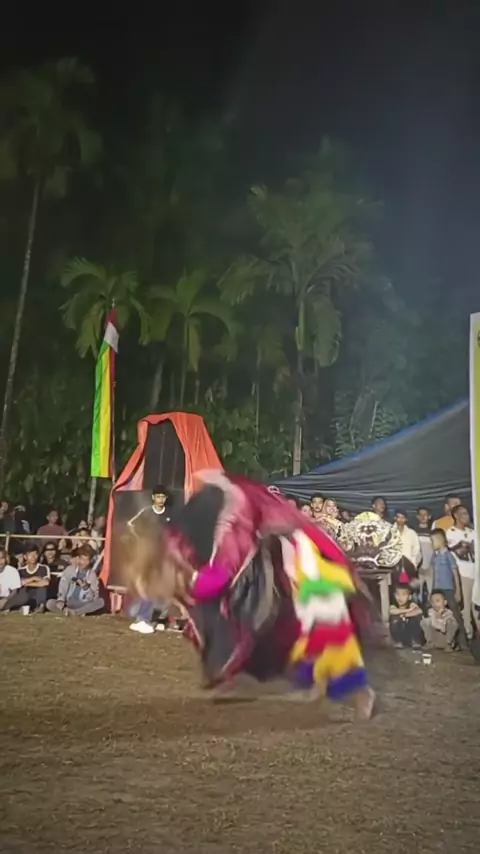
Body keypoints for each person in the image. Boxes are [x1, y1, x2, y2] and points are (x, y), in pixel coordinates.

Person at [120, 471, 377, 721]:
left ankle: (358, 691)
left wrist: (186, 584)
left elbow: (220, 575)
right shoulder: (185, 533)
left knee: (317, 615)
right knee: (263, 621)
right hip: (266, 559)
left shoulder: (227, 522)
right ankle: (302, 680)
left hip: (297, 559)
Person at [128, 486, 172, 634]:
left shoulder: (170, 514)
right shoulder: (146, 512)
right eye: (158, 496)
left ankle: (155, 618)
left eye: (163, 497)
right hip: (148, 556)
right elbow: (131, 525)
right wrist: (141, 540)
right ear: (153, 497)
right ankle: (143, 618)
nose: (160, 499)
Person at [429, 529, 469, 649]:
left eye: (433, 541)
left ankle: (463, 642)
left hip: (448, 589)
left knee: (455, 615)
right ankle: (439, 641)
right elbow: (432, 573)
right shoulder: (434, 556)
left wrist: (458, 591)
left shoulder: (448, 555)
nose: (431, 544)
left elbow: (455, 573)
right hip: (437, 590)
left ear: (440, 540)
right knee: (437, 615)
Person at [446, 505, 478, 640]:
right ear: (456, 516)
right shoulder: (450, 532)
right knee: (466, 605)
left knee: (476, 604)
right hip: (462, 573)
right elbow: (453, 553)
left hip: (475, 572)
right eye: (463, 514)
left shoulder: (473, 532)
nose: (467, 516)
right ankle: (467, 635)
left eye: (467, 513)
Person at [46, 545, 104, 616]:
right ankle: (67, 611)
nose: (84, 562)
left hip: (83, 603)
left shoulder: (92, 575)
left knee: (100, 602)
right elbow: (63, 586)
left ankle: (75, 612)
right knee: (50, 603)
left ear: (90, 560)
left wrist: (86, 588)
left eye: (87, 560)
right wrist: (61, 599)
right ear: (78, 558)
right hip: (68, 601)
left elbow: (94, 597)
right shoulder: (69, 569)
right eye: (82, 559)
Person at [6, 544, 50, 613]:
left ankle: (40, 607)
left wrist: (27, 583)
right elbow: (18, 584)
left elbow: (46, 582)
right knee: (22, 591)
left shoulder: (44, 568)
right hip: (26, 594)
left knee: (42, 588)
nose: (33, 557)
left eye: (35, 554)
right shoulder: (20, 570)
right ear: (25, 557)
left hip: (38, 595)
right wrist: (34, 578)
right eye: (30, 555)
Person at [388, 584, 423, 648]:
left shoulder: (411, 604)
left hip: (409, 632)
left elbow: (419, 611)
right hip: (400, 633)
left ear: (409, 597)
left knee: (415, 619)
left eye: (403, 595)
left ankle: (414, 640)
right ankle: (398, 641)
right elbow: (392, 611)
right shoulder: (394, 605)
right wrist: (408, 610)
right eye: (397, 594)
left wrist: (405, 615)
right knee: (394, 619)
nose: (400, 597)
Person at [393, 510, 421, 584]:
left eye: (403, 518)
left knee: (407, 588)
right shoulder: (389, 532)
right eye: (398, 517)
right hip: (393, 568)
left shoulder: (412, 533)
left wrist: (413, 564)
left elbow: (417, 551)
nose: (400, 519)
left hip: (408, 567)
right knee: (395, 588)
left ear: (406, 519)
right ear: (395, 518)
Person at [415, 507, 434, 596]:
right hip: (418, 568)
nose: (423, 517)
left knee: (431, 592)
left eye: (425, 515)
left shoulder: (433, 533)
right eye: (420, 515)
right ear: (417, 516)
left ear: (429, 516)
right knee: (418, 593)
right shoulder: (413, 532)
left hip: (430, 567)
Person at [0, 546, 21, 610]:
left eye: (2, 558)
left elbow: (15, 591)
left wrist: (6, 599)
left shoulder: (12, 571)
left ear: (6, 559)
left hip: (6, 599)